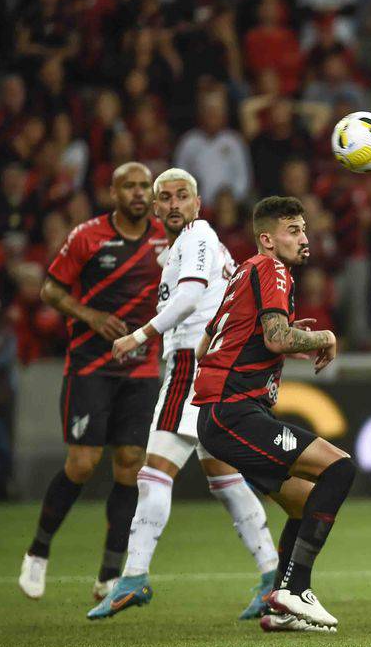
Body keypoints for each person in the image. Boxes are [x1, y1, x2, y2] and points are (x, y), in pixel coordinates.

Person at [87, 169, 279, 621]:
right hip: (213, 366)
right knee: (224, 478)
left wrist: (138, 337)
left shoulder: (196, 237)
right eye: (165, 198)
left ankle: (133, 576)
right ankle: (272, 575)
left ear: (197, 203)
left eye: (183, 196)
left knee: (153, 472)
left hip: (194, 368)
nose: (174, 204)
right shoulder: (192, 245)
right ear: (155, 208)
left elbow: (192, 295)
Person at [193, 196, 352, 633]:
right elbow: (277, 338)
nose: (304, 238)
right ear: (267, 239)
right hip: (235, 412)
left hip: (222, 415)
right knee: (339, 469)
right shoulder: (271, 268)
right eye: (293, 231)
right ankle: (294, 589)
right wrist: (323, 335)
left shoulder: (244, 271)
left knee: (304, 505)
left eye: (304, 229)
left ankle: (280, 609)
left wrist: (284, 339)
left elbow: (207, 346)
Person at [18, 163, 167, 600]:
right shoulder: (87, 235)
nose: (139, 193)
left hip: (141, 369)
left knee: (129, 463)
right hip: (90, 367)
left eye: (145, 186)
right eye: (130, 186)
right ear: (113, 192)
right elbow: (50, 290)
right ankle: (38, 551)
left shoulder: (166, 238)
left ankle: (107, 574)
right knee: (82, 464)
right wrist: (90, 316)